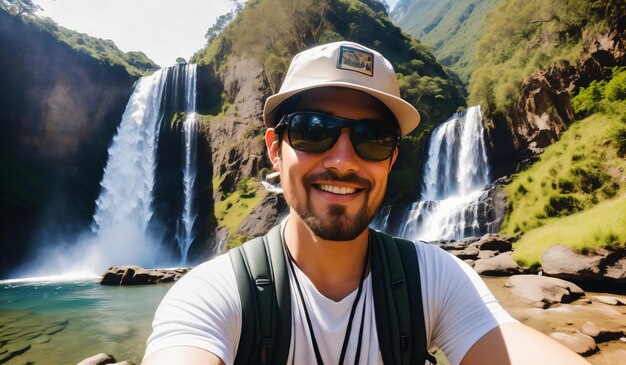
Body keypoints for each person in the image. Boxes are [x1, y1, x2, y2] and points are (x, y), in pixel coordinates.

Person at [142, 41, 589, 365]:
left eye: (372, 138)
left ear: (392, 158)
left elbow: (510, 344)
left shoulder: (435, 280)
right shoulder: (212, 297)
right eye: (313, 130)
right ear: (275, 150)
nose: (342, 160)